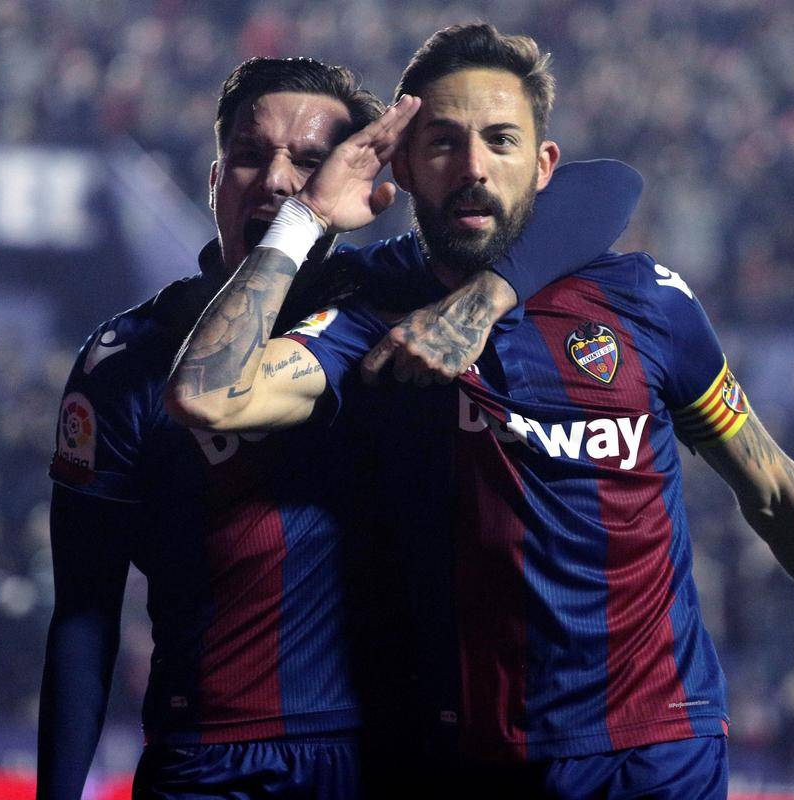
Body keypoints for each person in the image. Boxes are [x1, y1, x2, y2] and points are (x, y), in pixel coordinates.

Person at [166, 23, 794, 799]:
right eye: (443, 144)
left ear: (543, 166)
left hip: (657, 749)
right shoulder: (370, 307)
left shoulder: (645, 301)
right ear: (403, 165)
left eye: (501, 141)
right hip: (473, 756)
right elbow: (205, 392)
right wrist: (305, 219)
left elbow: (770, 486)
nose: (473, 168)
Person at [39, 54, 641, 799]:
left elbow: (609, 186)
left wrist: (489, 294)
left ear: (365, 184)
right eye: (250, 155)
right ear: (215, 178)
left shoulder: (392, 292)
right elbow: (84, 612)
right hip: (212, 762)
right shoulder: (126, 359)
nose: (277, 180)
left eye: (310, 161)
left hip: (393, 756)